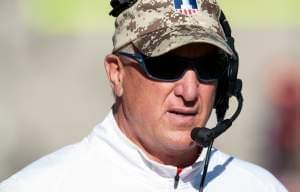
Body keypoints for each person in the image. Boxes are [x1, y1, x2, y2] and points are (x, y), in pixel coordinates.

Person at [0, 0, 287, 191]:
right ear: (116, 73)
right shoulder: (38, 186)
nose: (189, 90)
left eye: (208, 67)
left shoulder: (259, 187)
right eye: (166, 65)